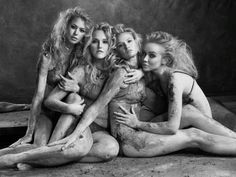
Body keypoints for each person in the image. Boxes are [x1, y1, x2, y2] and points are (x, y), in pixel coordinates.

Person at [0, 22, 119, 169]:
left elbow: (137, 54)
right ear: (89, 44)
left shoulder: (116, 70)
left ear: (111, 44)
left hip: (99, 128)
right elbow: (48, 99)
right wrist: (72, 101)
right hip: (79, 121)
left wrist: (139, 72)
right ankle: (11, 158)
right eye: (95, 41)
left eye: (105, 41)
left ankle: (37, 161)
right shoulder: (81, 70)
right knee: (75, 147)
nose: (100, 46)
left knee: (110, 149)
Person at [111, 29, 236, 157]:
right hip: (182, 122)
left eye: (152, 55)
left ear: (165, 59)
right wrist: (141, 72)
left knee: (187, 111)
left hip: (201, 126)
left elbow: (171, 127)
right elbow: (141, 67)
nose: (144, 59)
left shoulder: (174, 79)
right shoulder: (157, 75)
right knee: (168, 114)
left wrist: (137, 123)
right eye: (143, 54)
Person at [0, 6, 92, 156]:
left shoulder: (82, 54)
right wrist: (29, 131)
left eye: (81, 30)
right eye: (73, 27)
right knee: (38, 145)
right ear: (65, 26)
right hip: (47, 110)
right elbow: (38, 96)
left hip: (67, 112)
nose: (76, 33)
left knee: (51, 149)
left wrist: (76, 88)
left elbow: (91, 85)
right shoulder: (48, 56)